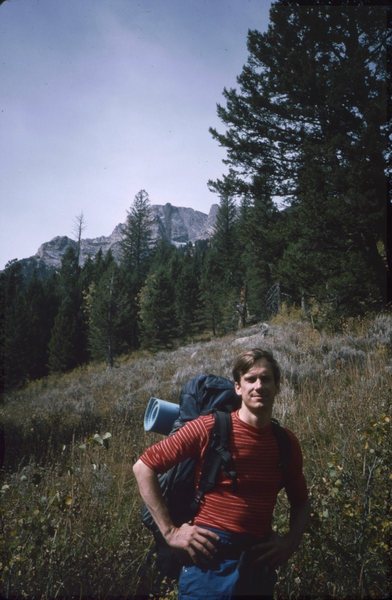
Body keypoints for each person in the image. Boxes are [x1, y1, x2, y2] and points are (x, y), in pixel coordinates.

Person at [133, 348, 310, 599]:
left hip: (257, 565)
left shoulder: (285, 442)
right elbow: (143, 467)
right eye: (250, 379)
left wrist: (289, 543)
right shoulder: (210, 428)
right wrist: (171, 532)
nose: (259, 386)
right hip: (208, 562)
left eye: (266, 378)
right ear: (238, 387)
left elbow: (301, 502)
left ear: (277, 386)